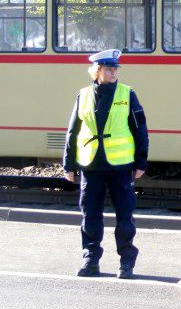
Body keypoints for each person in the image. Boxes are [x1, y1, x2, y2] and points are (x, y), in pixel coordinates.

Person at [63, 49, 148, 279]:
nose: (113, 72)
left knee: (124, 216)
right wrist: (68, 164)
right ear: (97, 71)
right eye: (108, 69)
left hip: (120, 166)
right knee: (90, 215)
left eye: (115, 69)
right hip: (91, 166)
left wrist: (141, 161)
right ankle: (90, 259)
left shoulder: (127, 94)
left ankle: (126, 262)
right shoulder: (83, 95)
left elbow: (140, 129)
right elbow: (73, 131)